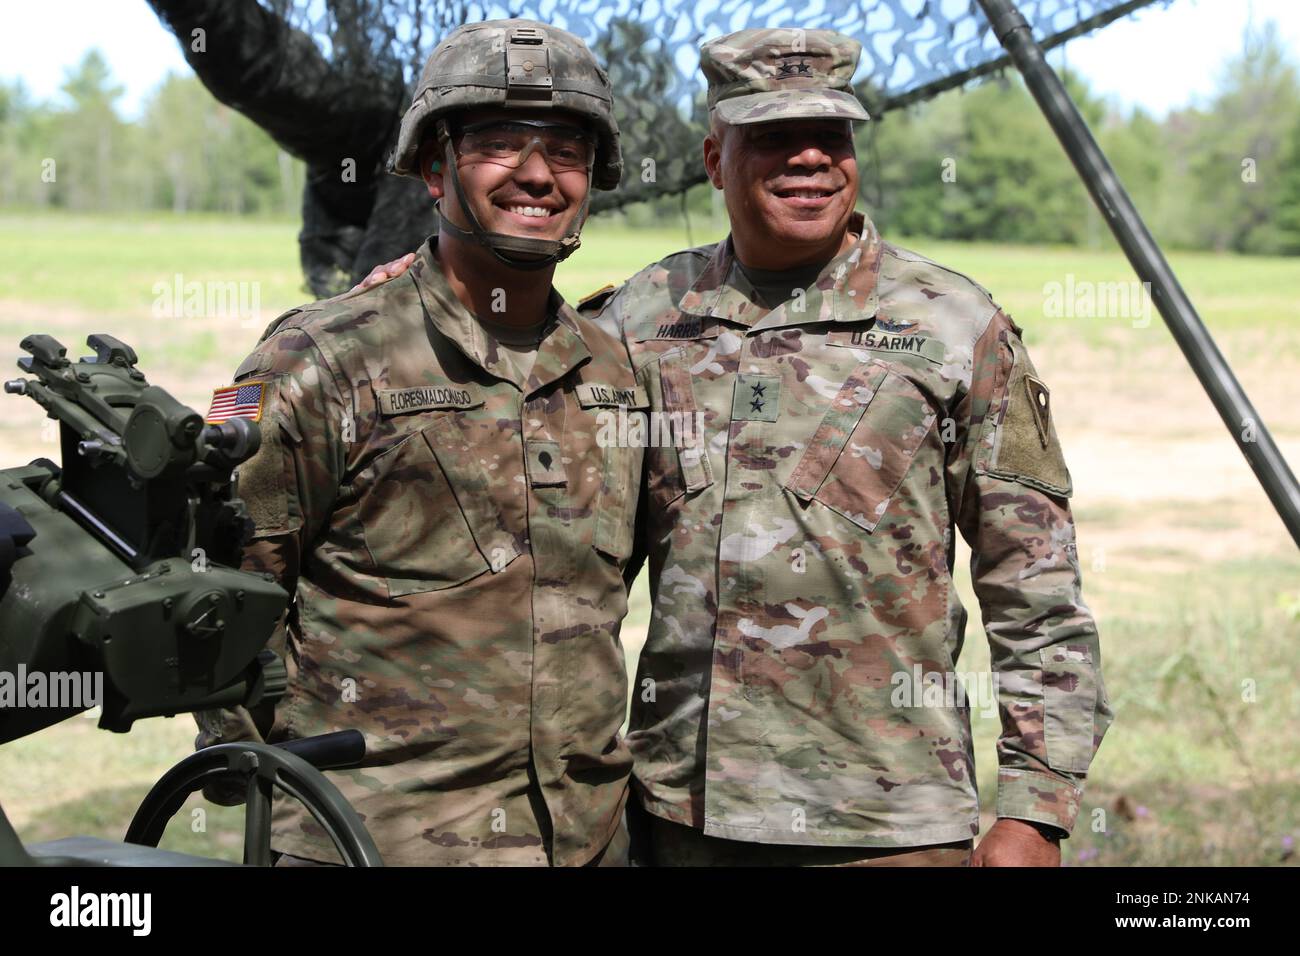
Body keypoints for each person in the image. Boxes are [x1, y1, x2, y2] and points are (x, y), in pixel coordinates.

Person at [359, 26, 1113, 868]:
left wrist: (1037, 807)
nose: (810, 161)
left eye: (831, 138)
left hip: (885, 823)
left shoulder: (955, 327)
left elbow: (1035, 584)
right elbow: (503, 399)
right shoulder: (639, 322)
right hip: (677, 812)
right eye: (775, 139)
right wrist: (422, 287)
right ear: (716, 159)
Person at [197, 19, 643, 867]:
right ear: (434, 168)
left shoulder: (616, 371)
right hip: (375, 843)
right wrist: (260, 777)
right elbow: (223, 587)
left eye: (566, 149)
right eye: (500, 143)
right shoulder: (319, 356)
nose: (538, 174)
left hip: (586, 842)